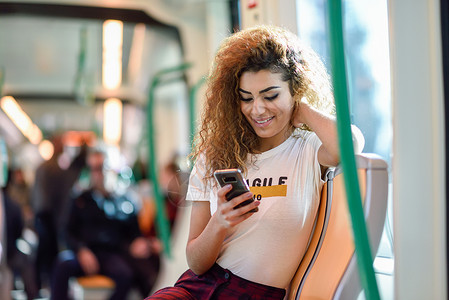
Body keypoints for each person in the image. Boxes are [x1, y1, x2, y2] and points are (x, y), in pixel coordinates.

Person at [147, 25, 363, 300]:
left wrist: (303, 109)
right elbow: (197, 262)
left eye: (270, 95)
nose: (257, 109)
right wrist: (219, 223)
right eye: (246, 98)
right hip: (198, 287)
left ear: (295, 90)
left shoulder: (308, 150)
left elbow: (352, 144)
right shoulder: (214, 155)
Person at [50, 150, 160, 300]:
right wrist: (81, 250)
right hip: (86, 252)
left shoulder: (124, 200)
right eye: (93, 168)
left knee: (126, 275)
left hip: (112, 254)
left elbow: (134, 231)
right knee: (63, 264)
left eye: (101, 167)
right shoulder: (80, 199)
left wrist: (140, 243)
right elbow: (67, 231)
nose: (97, 173)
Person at [31, 134, 87, 289]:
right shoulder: (54, 168)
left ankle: (39, 284)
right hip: (48, 216)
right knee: (48, 251)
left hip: (43, 215)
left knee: (44, 251)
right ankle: (44, 284)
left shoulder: (46, 167)